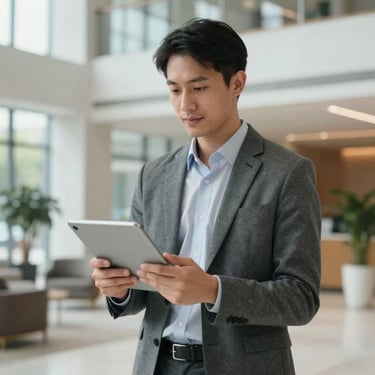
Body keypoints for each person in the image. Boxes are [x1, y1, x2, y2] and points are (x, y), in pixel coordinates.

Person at [90, 18, 321, 375]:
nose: (186, 105)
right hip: (157, 364)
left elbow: (301, 298)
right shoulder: (153, 175)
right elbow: (142, 288)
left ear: (237, 83)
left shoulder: (287, 172)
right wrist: (119, 288)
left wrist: (213, 290)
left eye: (198, 87)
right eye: (175, 90)